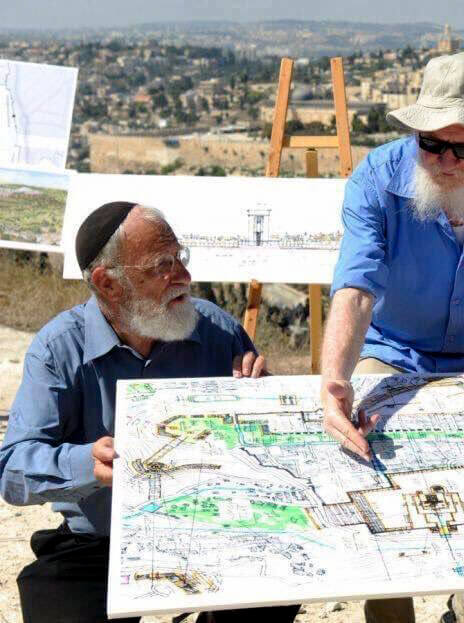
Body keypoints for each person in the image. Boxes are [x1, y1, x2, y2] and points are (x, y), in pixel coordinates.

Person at [320, 52, 464, 623]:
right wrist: (334, 381)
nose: (445, 161)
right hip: (393, 350)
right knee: (360, 459)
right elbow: (355, 288)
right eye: (431, 144)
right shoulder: (375, 178)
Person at [0, 202, 299, 623]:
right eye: (163, 265)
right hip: (101, 546)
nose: (185, 277)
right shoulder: (57, 349)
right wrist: (88, 463)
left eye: (181, 257)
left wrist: (266, 403)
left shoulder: (217, 331)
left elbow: (276, 452)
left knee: (280, 586)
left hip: (216, 534)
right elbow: (14, 471)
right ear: (108, 283)